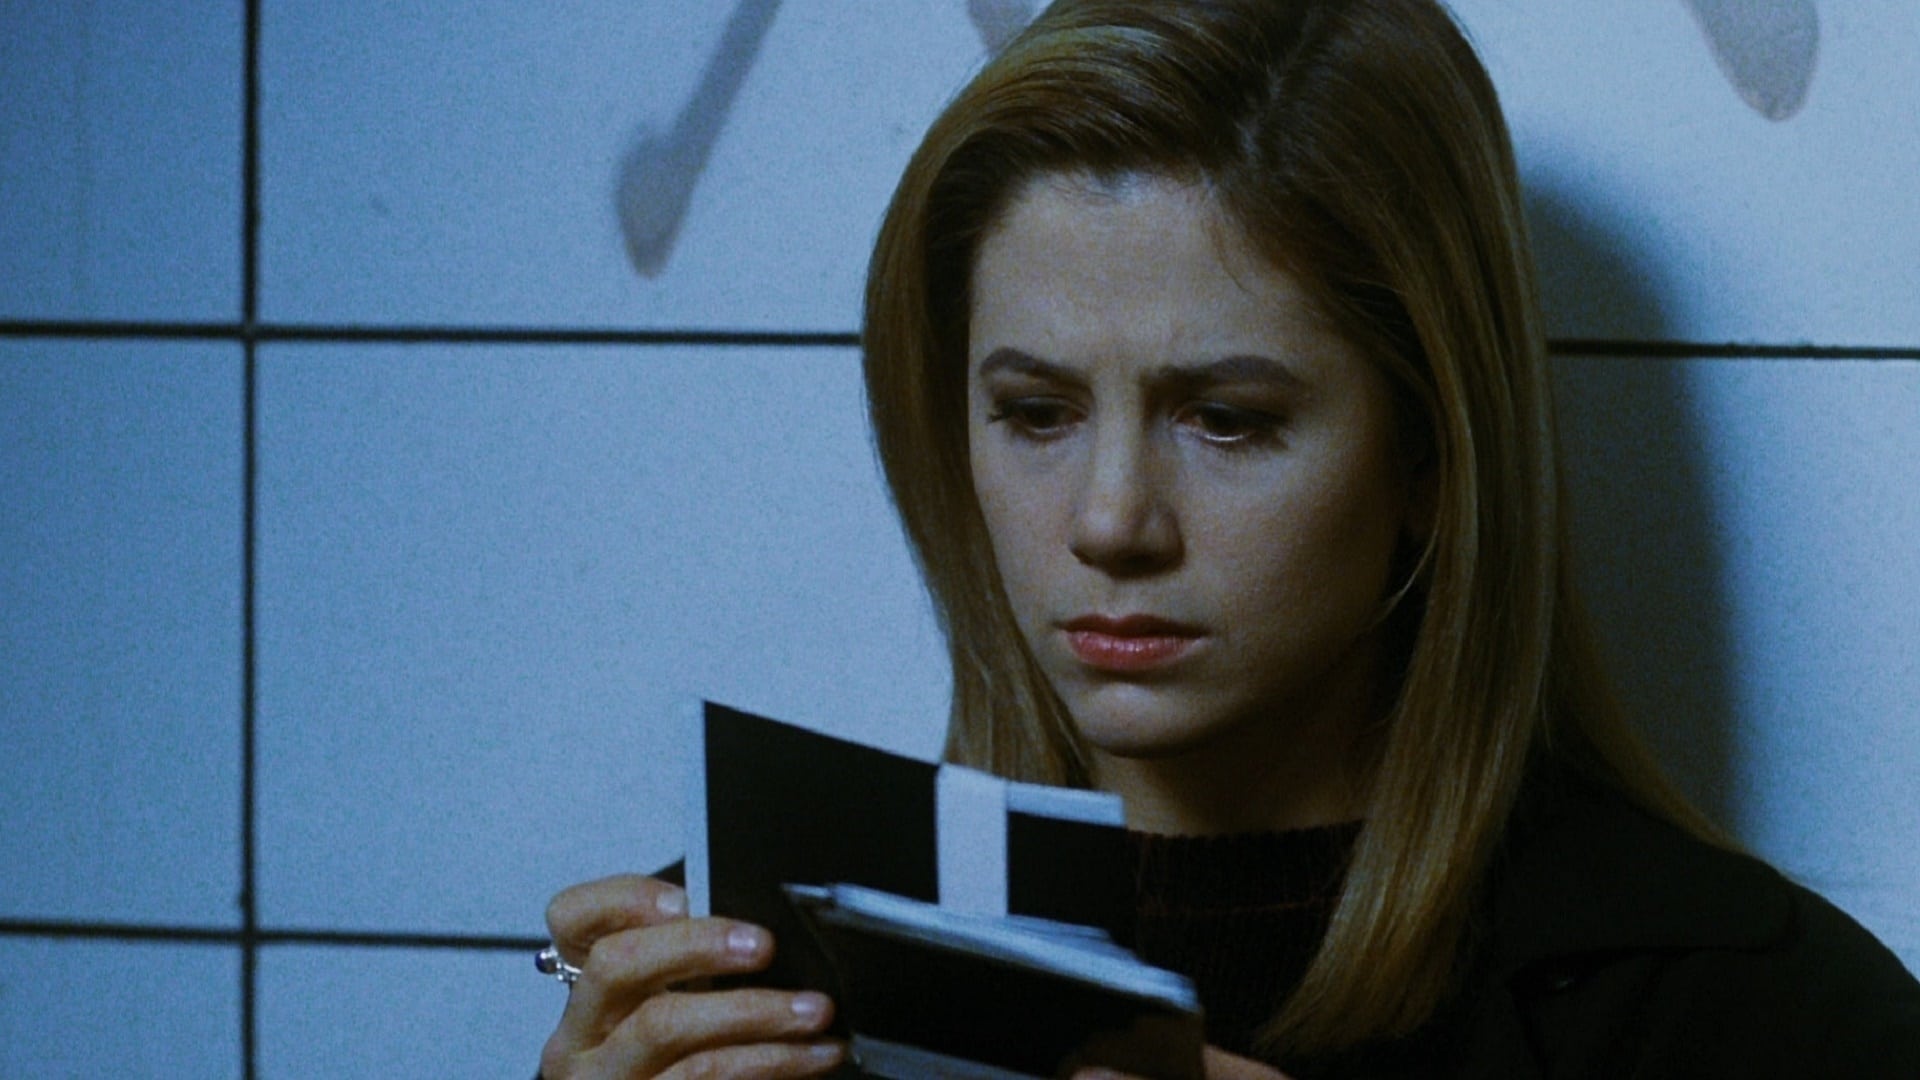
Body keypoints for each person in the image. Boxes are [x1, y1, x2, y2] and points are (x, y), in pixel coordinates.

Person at [536, 1, 1920, 1076]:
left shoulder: (1760, 1020)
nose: (1110, 522)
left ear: (1434, 454)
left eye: (1229, 420)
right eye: (1035, 412)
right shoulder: (750, 977)